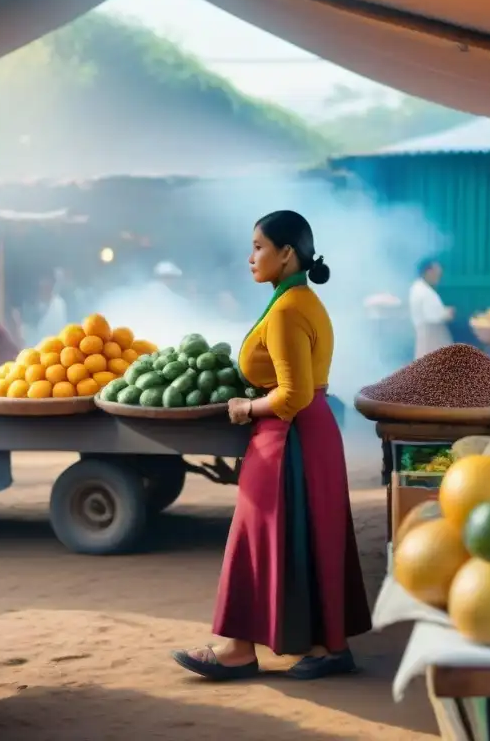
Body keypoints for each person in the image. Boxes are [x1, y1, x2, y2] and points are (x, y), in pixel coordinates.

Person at [172, 209, 371, 681]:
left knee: (257, 535)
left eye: (259, 247)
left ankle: (240, 649)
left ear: (286, 254)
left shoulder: (285, 311)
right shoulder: (303, 300)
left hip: (289, 435)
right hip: (311, 432)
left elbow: (293, 393)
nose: (251, 257)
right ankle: (326, 646)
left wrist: (247, 409)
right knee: (309, 537)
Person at [409, 259, 453, 359]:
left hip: (428, 336)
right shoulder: (423, 291)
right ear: (428, 272)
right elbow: (433, 317)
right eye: (437, 273)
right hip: (431, 337)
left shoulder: (421, 288)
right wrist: (447, 313)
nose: (439, 277)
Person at [14, 271, 68, 347]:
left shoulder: (59, 304)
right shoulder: (30, 304)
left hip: (53, 348)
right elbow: (25, 330)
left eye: (48, 282)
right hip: (31, 350)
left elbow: (62, 328)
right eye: (42, 282)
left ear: (52, 284)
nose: (44, 285)